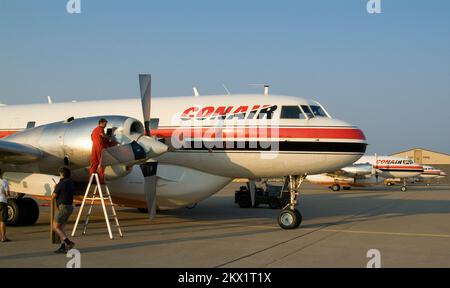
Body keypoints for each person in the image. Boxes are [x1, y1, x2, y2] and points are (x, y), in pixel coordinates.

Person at [52, 167, 75, 253]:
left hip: (63, 207)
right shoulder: (71, 183)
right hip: (70, 207)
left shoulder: (60, 184)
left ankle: (68, 242)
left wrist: (55, 188)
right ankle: (63, 247)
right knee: (62, 227)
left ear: (61, 174)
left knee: (55, 226)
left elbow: (53, 197)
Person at [89, 118, 111, 184]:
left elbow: (92, 138)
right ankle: (101, 180)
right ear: (101, 123)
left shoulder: (94, 130)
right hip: (100, 147)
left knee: (94, 163)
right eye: (105, 123)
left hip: (94, 148)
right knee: (102, 163)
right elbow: (102, 134)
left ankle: (92, 179)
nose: (105, 125)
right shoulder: (100, 128)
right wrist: (108, 137)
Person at [0, 170, 10, 242]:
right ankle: (3, 237)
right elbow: (7, 193)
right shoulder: (4, 182)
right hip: (2, 202)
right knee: (2, 220)